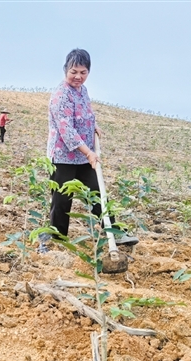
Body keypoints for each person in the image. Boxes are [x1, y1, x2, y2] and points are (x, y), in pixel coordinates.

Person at [47, 48, 138, 245]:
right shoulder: (61, 95)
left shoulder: (83, 91)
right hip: (63, 156)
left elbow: (85, 113)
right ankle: (58, 238)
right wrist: (89, 152)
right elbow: (67, 129)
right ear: (65, 70)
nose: (78, 77)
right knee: (62, 199)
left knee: (97, 194)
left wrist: (92, 125)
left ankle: (114, 233)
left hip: (84, 155)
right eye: (74, 72)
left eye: (83, 72)